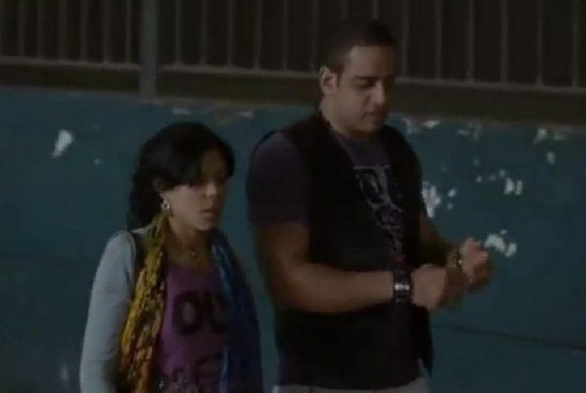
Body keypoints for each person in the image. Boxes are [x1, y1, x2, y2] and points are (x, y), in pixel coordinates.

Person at [247, 19, 492, 392]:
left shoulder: (395, 148)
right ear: (329, 81)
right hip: (325, 378)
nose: (380, 98)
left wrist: (457, 261)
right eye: (365, 84)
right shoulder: (288, 154)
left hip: (403, 371)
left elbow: (416, 238)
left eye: (388, 84)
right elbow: (287, 281)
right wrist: (404, 286)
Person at [80, 122, 262, 392]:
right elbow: (96, 374)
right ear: (162, 189)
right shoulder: (131, 253)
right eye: (196, 182)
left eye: (220, 179)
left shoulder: (225, 262)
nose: (213, 192)